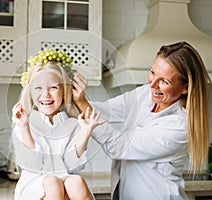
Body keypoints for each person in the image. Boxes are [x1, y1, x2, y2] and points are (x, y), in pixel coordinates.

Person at [72, 41, 211, 199]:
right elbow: (106, 110)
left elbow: (117, 146)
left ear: (185, 87)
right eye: (152, 72)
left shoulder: (179, 126)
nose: (152, 84)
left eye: (164, 81)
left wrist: (82, 103)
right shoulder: (146, 93)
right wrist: (67, 100)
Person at [11, 49, 104, 200]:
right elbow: (33, 163)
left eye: (53, 87)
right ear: (30, 92)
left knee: (76, 182)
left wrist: (85, 132)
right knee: (53, 183)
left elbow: (73, 166)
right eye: (38, 88)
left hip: (64, 177)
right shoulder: (24, 123)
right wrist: (24, 128)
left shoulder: (75, 124)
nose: (46, 94)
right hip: (35, 182)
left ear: (64, 91)